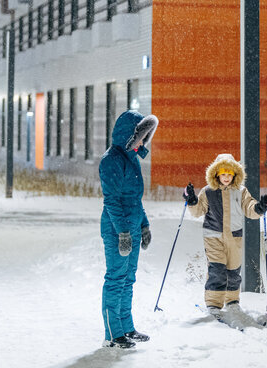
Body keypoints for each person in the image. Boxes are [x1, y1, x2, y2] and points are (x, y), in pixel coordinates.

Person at [183, 153, 267, 318]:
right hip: (213, 236)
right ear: (216, 173)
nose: (226, 177)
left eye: (229, 174)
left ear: (234, 174)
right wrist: (192, 200)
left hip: (235, 238)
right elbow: (198, 211)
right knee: (217, 270)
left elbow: (249, 206)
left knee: (233, 271)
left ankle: (232, 302)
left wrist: (259, 208)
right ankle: (214, 305)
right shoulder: (208, 191)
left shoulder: (241, 191)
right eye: (223, 174)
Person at [98, 110, 158, 349]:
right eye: (142, 137)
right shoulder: (111, 159)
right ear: (130, 135)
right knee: (116, 278)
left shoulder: (131, 156)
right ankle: (113, 333)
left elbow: (134, 199)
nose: (144, 142)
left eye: (146, 137)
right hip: (116, 228)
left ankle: (126, 328)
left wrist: (143, 225)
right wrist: (122, 232)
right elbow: (112, 201)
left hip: (132, 226)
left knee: (128, 279)